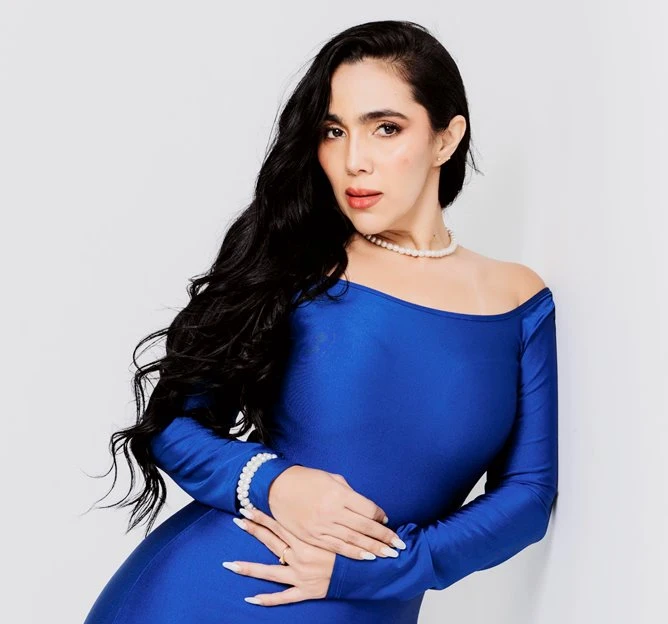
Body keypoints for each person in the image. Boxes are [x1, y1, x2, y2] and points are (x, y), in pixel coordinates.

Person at [83, 19, 559, 624]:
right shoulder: (295, 266)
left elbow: (528, 496)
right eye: (334, 132)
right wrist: (273, 483)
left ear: (446, 138)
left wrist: (384, 568)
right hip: (209, 593)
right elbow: (173, 425)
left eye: (386, 128)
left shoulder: (518, 300)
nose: (354, 161)